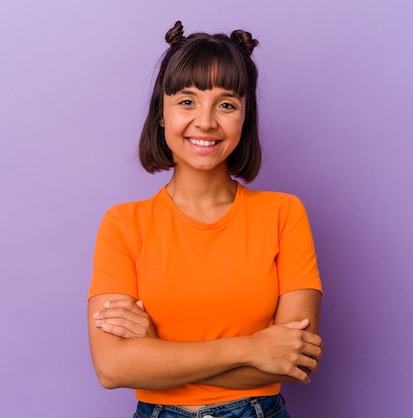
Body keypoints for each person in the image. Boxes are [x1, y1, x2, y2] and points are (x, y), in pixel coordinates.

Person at [87, 20, 323, 418]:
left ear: (244, 117)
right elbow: (113, 368)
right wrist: (253, 348)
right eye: (186, 101)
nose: (206, 121)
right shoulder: (123, 224)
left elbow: (293, 358)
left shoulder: (284, 214)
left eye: (226, 104)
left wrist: (157, 353)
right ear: (161, 114)